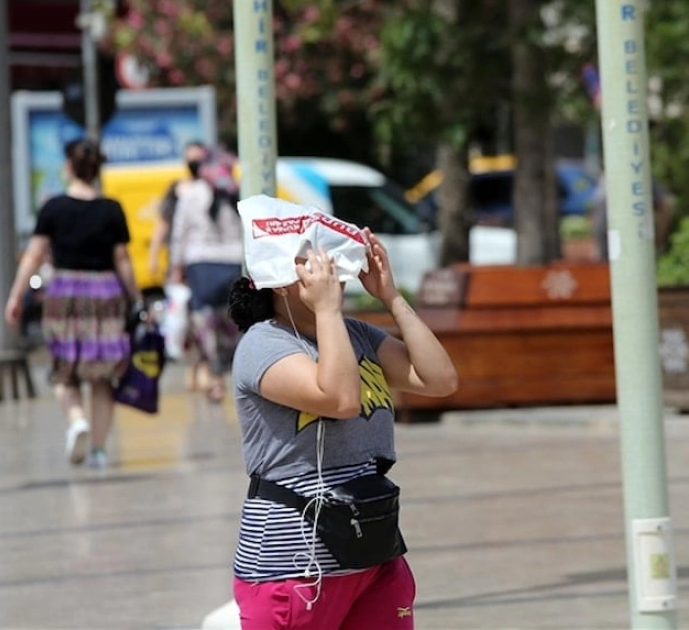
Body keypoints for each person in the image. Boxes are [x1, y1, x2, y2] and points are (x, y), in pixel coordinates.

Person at [227, 227, 458, 630]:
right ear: (279, 282)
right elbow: (340, 399)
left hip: (372, 551)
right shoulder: (262, 344)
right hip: (294, 566)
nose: (329, 268)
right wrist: (328, 311)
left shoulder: (356, 334)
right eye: (310, 260)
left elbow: (439, 380)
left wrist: (391, 297)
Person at [3, 138, 141, 469]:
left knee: (65, 371)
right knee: (102, 375)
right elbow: (121, 259)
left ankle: (77, 419)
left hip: (65, 291)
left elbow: (35, 254)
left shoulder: (54, 208)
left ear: (68, 167)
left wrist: (15, 295)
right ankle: (98, 451)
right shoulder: (111, 208)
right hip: (106, 293)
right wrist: (135, 298)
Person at [168, 145, 242, 402]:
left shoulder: (192, 194)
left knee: (204, 323)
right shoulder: (235, 191)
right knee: (233, 322)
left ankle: (215, 379)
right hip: (234, 263)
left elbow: (180, 232)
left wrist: (176, 266)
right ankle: (239, 374)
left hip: (201, 264)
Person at [148, 141, 210, 392]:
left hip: (202, 262)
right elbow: (163, 225)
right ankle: (192, 365)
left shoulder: (211, 189)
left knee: (202, 316)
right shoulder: (176, 190)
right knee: (181, 318)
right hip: (178, 265)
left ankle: (204, 365)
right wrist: (154, 255)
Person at [590, 174, 675, 261]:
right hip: (609, 238)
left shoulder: (642, 178)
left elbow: (665, 205)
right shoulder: (607, 179)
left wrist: (661, 233)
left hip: (634, 237)